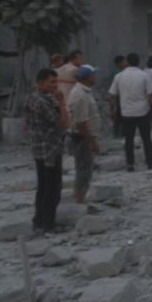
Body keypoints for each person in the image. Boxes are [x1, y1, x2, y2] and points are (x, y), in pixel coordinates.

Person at [26, 67, 69, 234]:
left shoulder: (34, 98)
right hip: (49, 149)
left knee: (44, 186)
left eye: (56, 81)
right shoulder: (42, 101)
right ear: (40, 82)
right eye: (52, 82)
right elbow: (63, 123)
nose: (55, 85)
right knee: (52, 187)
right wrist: (62, 102)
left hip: (41, 148)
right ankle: (48, 224)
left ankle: (39, 221)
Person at [109, 53, 152, 172]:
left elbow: (112, 95)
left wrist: (113, 110)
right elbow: (151, 95)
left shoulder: (119, 76)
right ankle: (150, 163)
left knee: (128, 139)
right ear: (138, 61)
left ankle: (130, 164)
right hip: (143, 111)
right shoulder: (145, 76)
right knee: (146, 138)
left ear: (127, 61)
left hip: (126, 113)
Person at [67, 65, 100, 204]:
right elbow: (81, 124)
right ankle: (79, 202)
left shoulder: (84, 91)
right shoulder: (80, 95)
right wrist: (92, 142)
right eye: (93, 74)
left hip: (83, 137)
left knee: (84, 170)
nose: (95, 77)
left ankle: (79, 199)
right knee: (83, 172)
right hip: (82, 138)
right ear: (87, 77)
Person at [109, 56, 127, 138]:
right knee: (120, 114)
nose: (125, 63)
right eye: (124, 61)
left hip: (119, 95)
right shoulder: (118, 72)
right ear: (119, 63)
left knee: (119, 114)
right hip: (119, 95)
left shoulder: (118, 72)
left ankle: (117, 132)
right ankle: (120, 133)